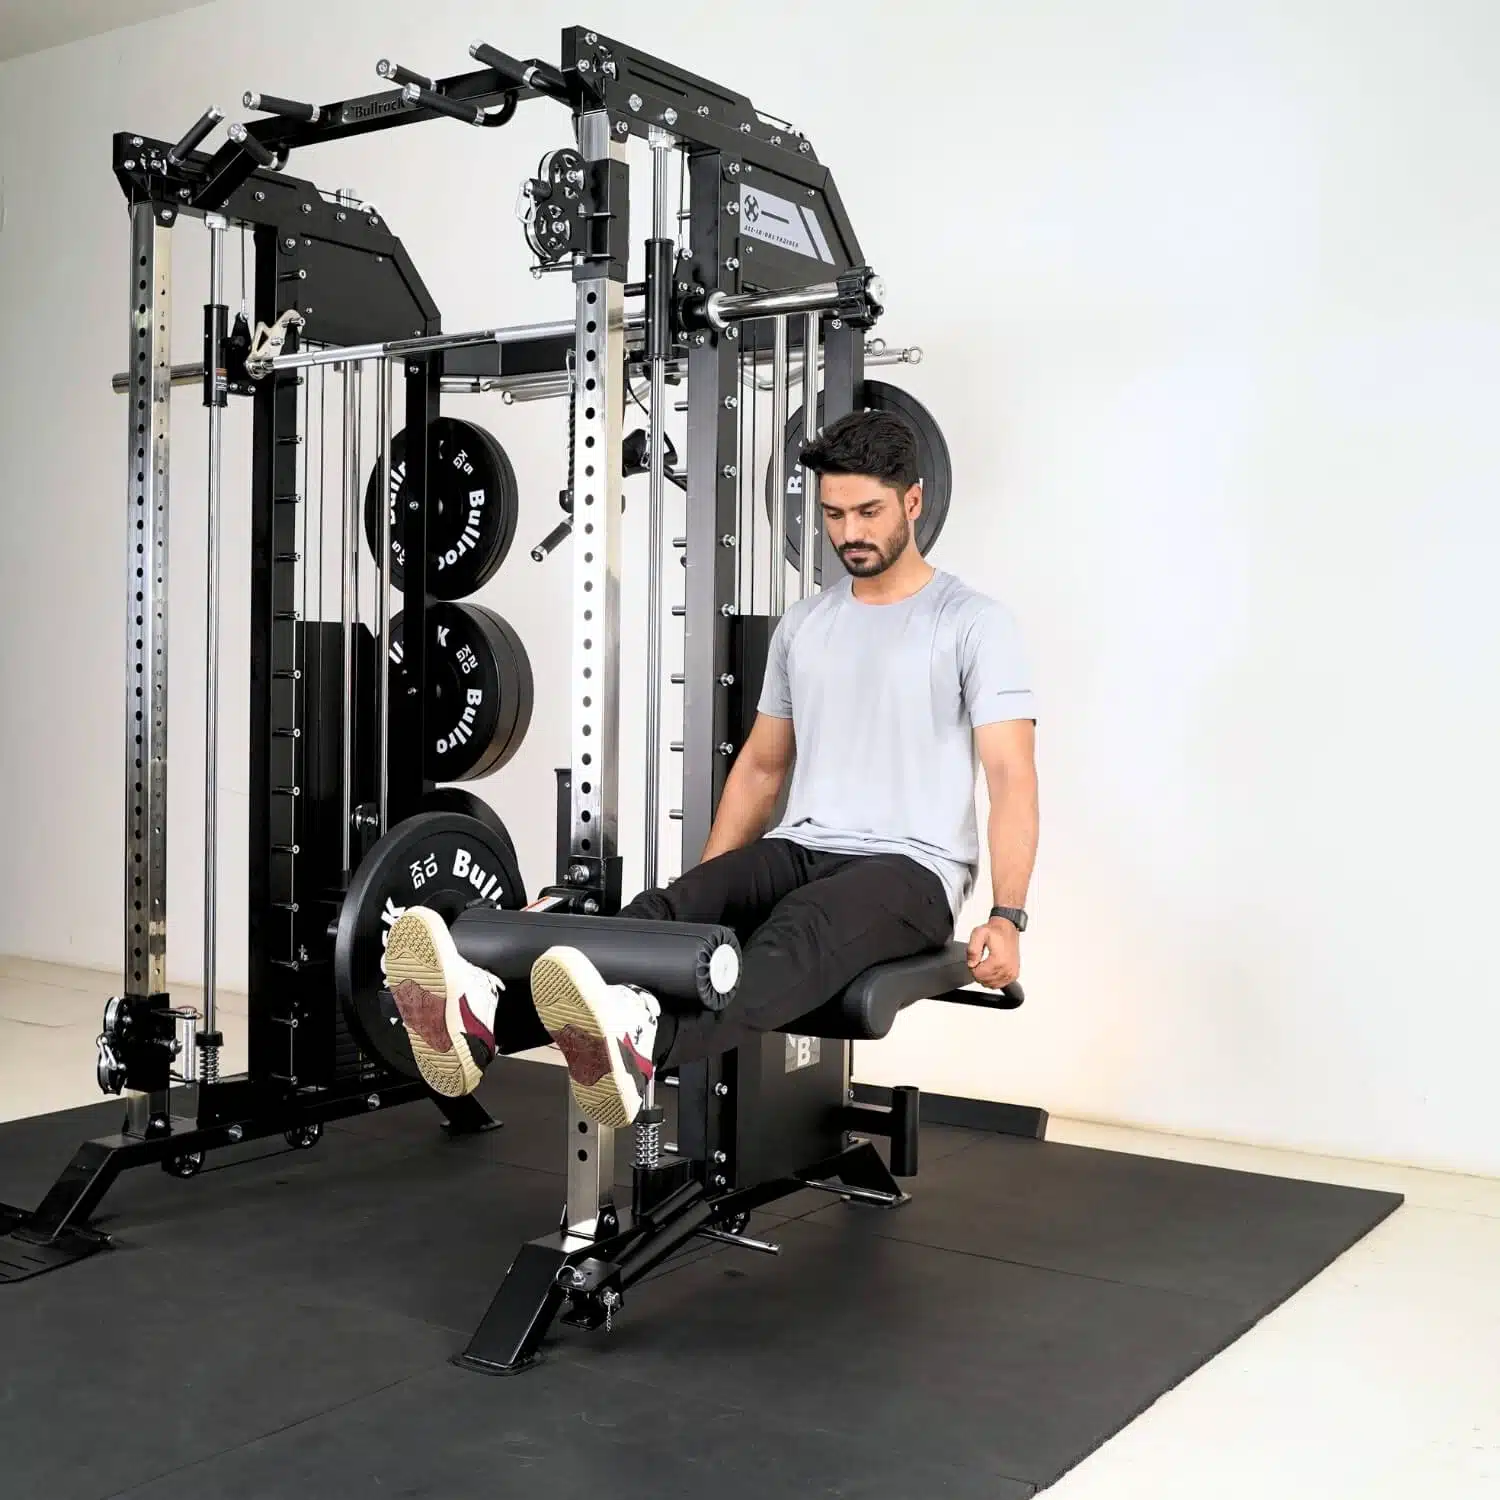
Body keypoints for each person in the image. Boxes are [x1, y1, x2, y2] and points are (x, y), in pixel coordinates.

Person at [383, 408, 1039, 1129]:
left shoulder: (973, 623)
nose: (849, 532)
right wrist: (706, 895)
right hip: (801, 846)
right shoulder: (806, 625)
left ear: (912, 502)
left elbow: (1011, 776)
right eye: (833, 514)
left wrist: (1006, 916)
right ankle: (488, 1015)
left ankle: (647, 1039)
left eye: (868, 512)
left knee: (798, 928)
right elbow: (761, 767)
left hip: (912, 868)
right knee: (664, 911)